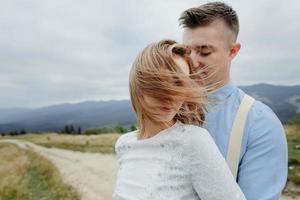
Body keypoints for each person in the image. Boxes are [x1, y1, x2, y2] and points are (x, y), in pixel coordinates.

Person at [179, 2, 288, 200]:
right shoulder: (167, 109)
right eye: (187, 51)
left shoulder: (261, 124)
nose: (193, 61)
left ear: (233, 51)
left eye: (204, 51)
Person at [113, 39, 246, 199]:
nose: (172, 95)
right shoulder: (124, 144)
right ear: (139, 84)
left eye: (180, 84)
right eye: (161, 81)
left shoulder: (192, 140)